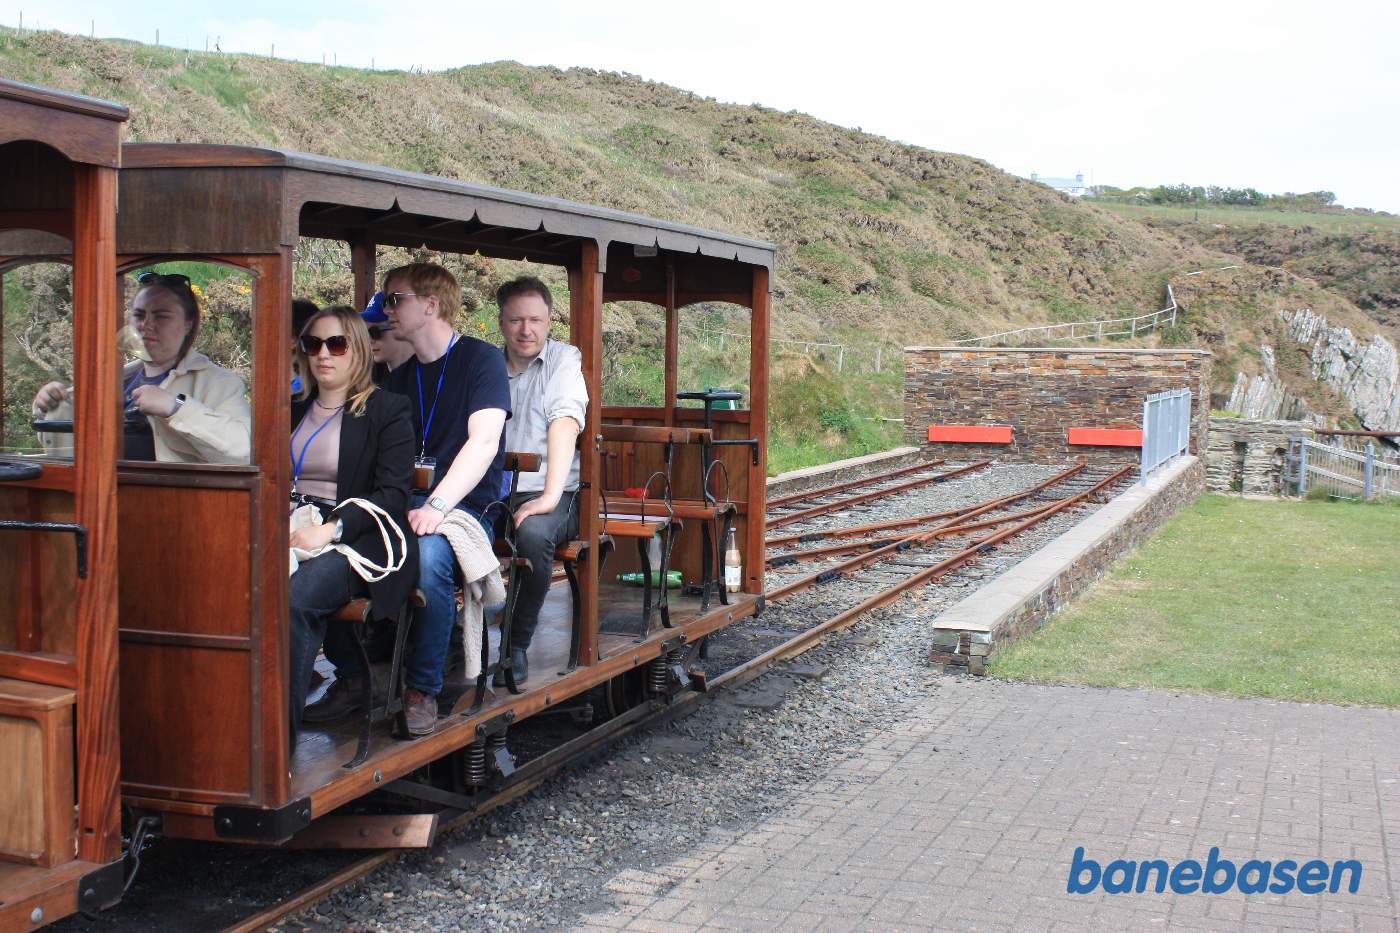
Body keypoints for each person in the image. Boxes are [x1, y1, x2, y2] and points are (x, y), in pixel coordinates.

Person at [382, 263, 510, 736]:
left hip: (467, 507)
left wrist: (436, 507)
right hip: (409, 503)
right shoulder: (400, 380)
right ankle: (360, 674)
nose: (387, 309)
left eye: (395, 299)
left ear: (430, 305)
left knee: (431, 555)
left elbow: (483, 443)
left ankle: (422, 687)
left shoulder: (481, 360)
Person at [289, 306, 418, 735]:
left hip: (355, 535)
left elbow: (393, 495)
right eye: (314, 344)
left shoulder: (388, 410)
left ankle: (274, 735)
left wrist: (331, 528)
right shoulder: (291, 409)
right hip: (291, 522)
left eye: (336, 344)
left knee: (296, 597)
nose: (324, 354)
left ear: (357, 351)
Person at [32, 270, 251, 463]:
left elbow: (245, 452)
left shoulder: (219, 383)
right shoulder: (114, 380)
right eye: (139, 315)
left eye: (161, 316)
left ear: (188, 324)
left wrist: (175, 407)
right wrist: (52, 405)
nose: (146, 325)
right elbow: (62, 452)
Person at [494, 276, 587, 685]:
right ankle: (449, 639)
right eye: (516, 320)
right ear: (501, 323)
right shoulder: (486, 364)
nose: (526, 330)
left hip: (556, 492)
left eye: (535, 320)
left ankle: (514, 644)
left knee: (532, 535)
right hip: (494, 491)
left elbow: (564, 420)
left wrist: (549, 496)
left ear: (550, 320)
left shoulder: (564, 360)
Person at [361, 292, 415, 384]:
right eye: (364, 332)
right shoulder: (368, 377)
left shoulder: (432, 378)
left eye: (375, 331)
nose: (369, 340)